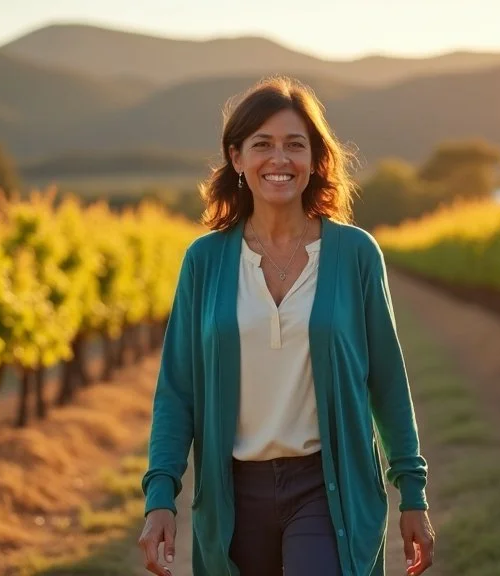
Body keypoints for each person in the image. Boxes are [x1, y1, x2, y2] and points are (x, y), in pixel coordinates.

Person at [138, 75, 435, 576]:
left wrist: (413, 492)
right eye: (263, 145)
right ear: (237, 158)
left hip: (326, 485)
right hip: (234, 494)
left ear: (315, 159)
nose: (280, 159)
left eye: (295, 145)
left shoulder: (355, 254)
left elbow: (386, 381)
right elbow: (177, 390)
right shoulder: (205, 261)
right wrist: (160, 494)